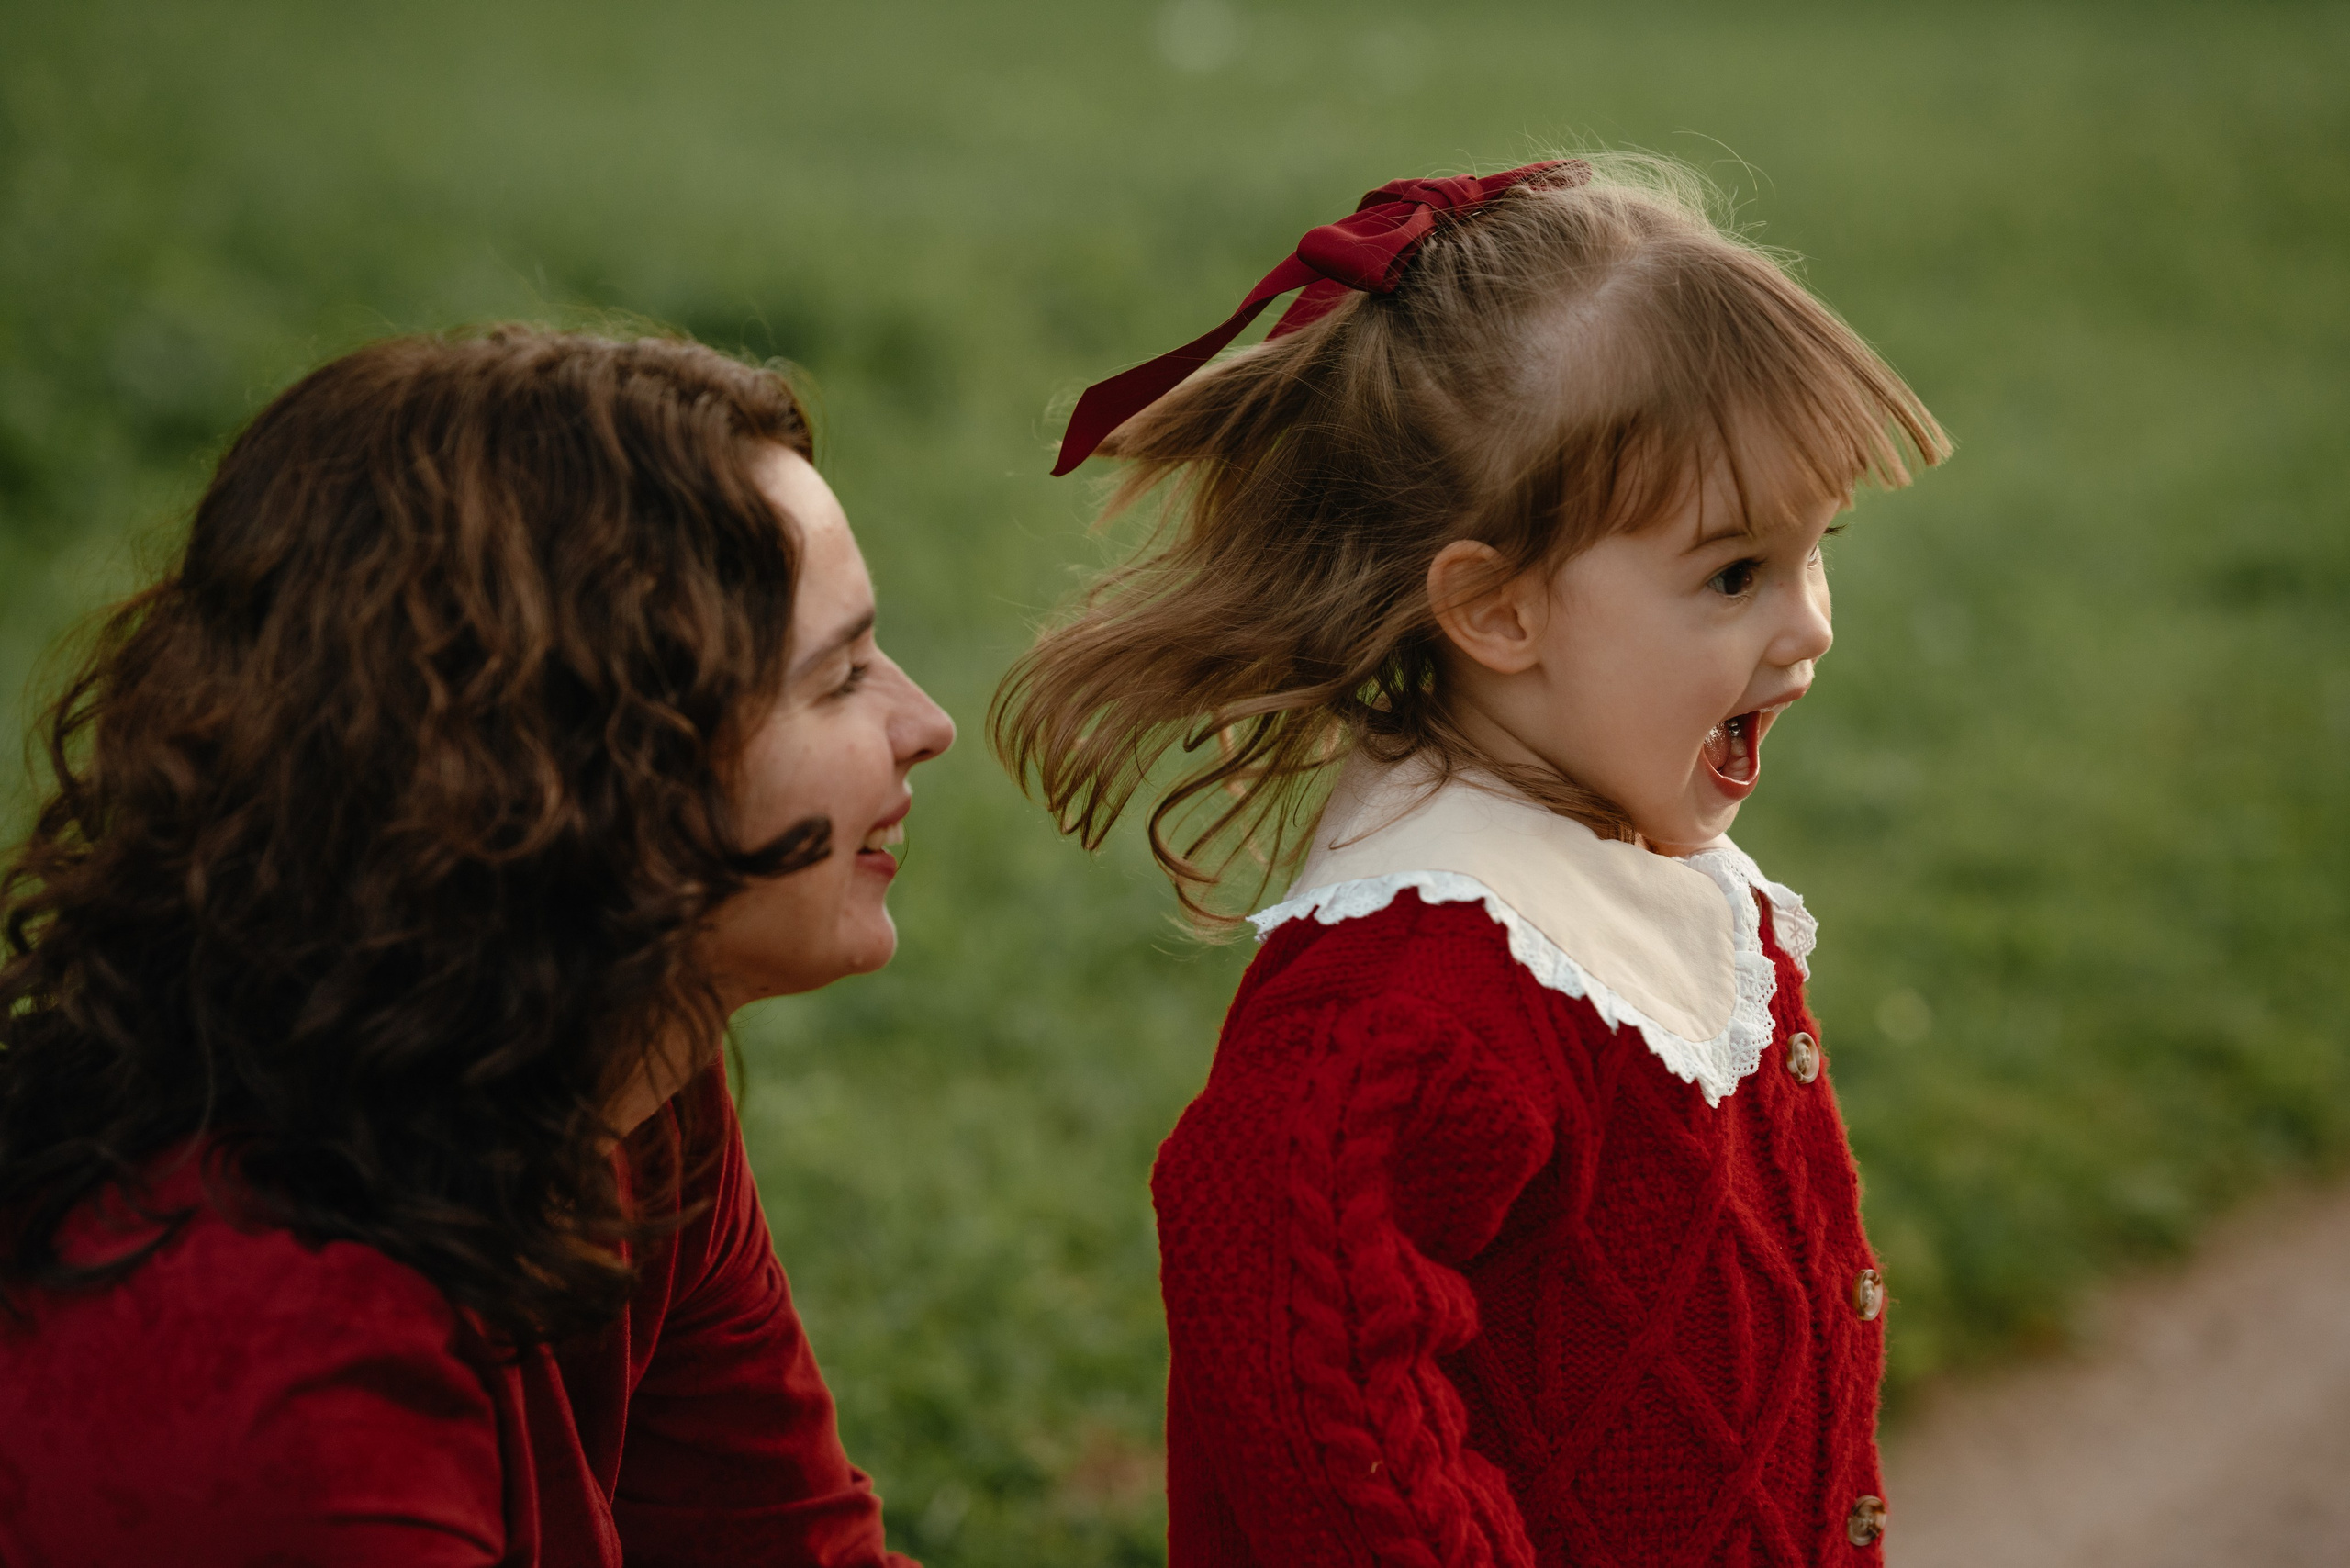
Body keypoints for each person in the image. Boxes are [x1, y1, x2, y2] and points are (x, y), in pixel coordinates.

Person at [994, 156, 1947, 1564]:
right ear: (1497, 609)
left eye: (1818, 553)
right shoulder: (1409, 992)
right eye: (1735, 574)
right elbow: (1309, 1380)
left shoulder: (1602, 878)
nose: (1805, 626)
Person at [0, 327, 954, 1566]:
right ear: (587, 782)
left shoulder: (621, 1069)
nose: (925, 722)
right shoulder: (274, 1358)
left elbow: (782, 1544)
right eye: (837, 680)